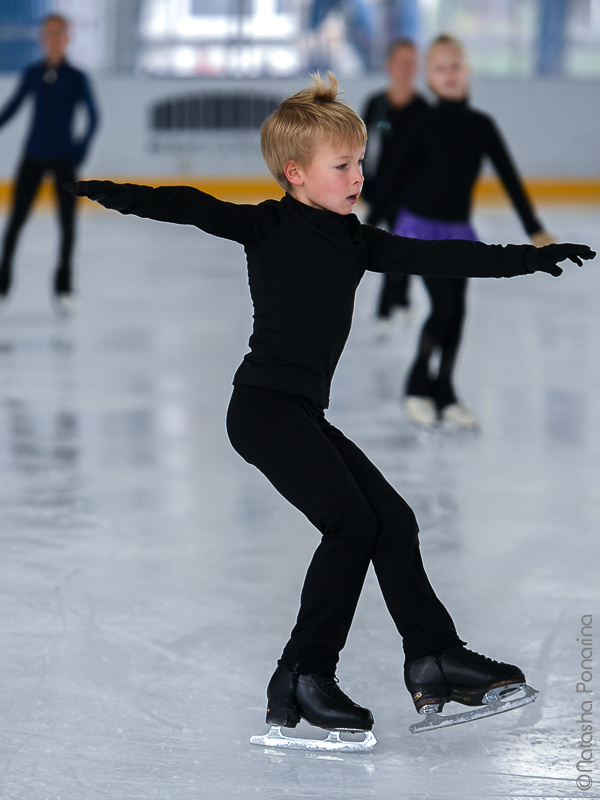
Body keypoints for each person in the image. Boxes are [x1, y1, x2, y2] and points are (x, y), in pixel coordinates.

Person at [63, 74, 593, 744]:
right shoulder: (266, 224)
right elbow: (189, 203)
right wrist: (111, 193)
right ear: (296, 174)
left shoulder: (356, 241)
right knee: (351, 525)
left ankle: (434, 657)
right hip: (261, 410)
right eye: (341, 166)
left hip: (302, 415)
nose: (356, 176)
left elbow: (441, 255)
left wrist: (528, 259)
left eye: (359, 163)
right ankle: (303, 675)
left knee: (390, 521)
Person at [368, 34, 555, 430]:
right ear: (430, 78)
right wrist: (362, 228)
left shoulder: (482, 126)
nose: (449, 74)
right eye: (439, 68)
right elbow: (392, 178)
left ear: (467, 71)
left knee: (459, 313)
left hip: (459, 230)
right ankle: (417, 384)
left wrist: (535, 229)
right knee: (445, 308)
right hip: (419, 228)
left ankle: (446, 391)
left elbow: (510, 179)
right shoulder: (419, 124)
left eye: (455, 66)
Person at [0, 13, 98, 313]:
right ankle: (3, 282)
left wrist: (79, 150)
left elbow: (94, 117)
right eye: (48, 34)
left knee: (67, 225)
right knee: (16, 221)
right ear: (43, 40)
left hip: (64, 161)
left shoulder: (77, 77)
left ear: (67, 39)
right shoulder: (33, 73)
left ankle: (63, 286)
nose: (53, 40)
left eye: (59, 34)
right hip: (33, 156)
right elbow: (13, 106)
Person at [362, 38, 427, 330]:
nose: (406, 68)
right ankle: (399, 302)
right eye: (401, 61)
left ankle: (388, 308)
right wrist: (361, 185)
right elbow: (358, 148)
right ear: (389, 66)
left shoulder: (424, 109)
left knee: (399, 247)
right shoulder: (376, 104)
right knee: (386, 247)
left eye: (412, 62)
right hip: (379, 191)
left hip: (411, 194)